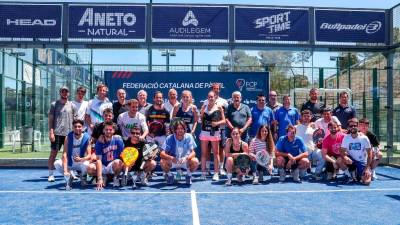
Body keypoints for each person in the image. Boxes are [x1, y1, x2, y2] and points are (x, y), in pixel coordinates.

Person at [47, 86, 77, 182]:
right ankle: (51, 174)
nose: (65, 93)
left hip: (69, 134)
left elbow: (75, 120)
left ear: (69, 93)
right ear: (60, 93)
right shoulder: (54, 104)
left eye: (66, 92)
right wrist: (51, 132)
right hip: (57, 133)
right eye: (63, 91)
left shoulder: (72, 105)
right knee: (53, 154)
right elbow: (51, 120)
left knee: (69, 155)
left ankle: (70, 172)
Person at [54, 119, 91, 190]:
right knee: (57, 163)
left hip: (80, 162)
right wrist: (65, 170)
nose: (77, 128)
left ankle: (83, 177)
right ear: (73, 128)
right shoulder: (68, 137)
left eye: (79, 126)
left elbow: (89, 155)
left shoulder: (87, 137)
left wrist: (81, 159)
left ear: (82, 127)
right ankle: (70, 176)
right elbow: (64, 154)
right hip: (70, 161)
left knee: (87, 164)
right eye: (75, 126)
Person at [160, 120, 199, 185]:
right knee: (162, 162)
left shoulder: (189, 136)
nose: (180, 130)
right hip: (173, 161)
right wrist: (171, 158)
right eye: (178, 128)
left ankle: (188, 175)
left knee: (195, 161)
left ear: (185, 129)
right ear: (175, 130)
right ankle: (170, 175)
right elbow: (162, 153)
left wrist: (186, 158)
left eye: (182, 128)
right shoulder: (170, 138)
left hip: (185, 161)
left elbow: (193, 153)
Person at [202, 83, 229, 176]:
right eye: (214, 88)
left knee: (221, 149)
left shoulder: (224, 102)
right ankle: (208, 168)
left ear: (219, 90)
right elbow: (202, 117)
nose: (216, 90)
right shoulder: (206, 102)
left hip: (220, 129)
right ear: (212, 89)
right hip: (208, 130)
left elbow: (225, 117)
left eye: (217, 88)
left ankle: (221, 168)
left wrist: (218, 123)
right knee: (208, 149)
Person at [340, 118, 372, 185]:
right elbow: (342, 151)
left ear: (358, 126)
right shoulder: (346, 138)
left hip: (362, 162)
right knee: (340, 160)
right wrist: (345, 157)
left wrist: (367, 168)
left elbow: (369, 154)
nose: (353, 127)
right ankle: (349, 175)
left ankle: (358, 174)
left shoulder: (364, 138)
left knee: (367, 182)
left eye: (355, 125)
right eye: (351, 126)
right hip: (351, 161)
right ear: (348, 127)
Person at [95, 121, 125, 190]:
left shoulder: (118, 139)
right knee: (90, 168)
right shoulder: (99, 142)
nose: (108, 131)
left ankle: (116, 177)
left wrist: (127, 165)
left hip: (112, 165)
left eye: (110, 130)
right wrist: (99, 178)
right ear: (103, 130)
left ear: (114, 131)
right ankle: (103, 176)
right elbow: (98, 160)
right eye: (106, 129)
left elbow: (122, 155)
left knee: (118, 162)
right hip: (103, 165)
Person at [295, 110, 324, 180]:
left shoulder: (315, 129)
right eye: (304, 116)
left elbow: (318, 140)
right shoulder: (295, 128)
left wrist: (319, 142)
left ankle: (317, 173)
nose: (306, 117)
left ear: (311, 117)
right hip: (302, 154)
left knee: (323, 155)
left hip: (313, 152)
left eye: (308, 116)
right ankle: (296, 170)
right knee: (302, 176)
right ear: (301, 117)